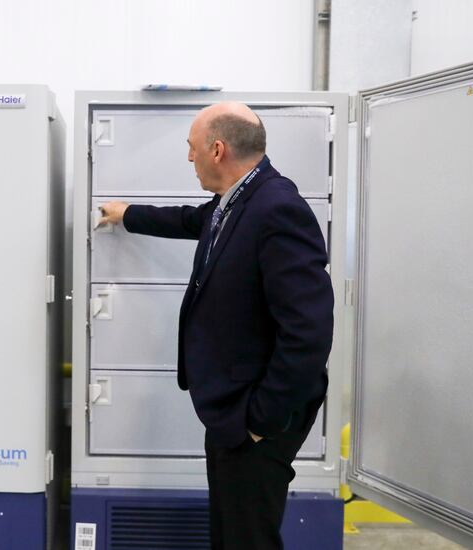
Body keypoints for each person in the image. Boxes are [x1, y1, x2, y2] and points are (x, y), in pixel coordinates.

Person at [98, 101, 334, 550]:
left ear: (218, 150)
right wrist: (127, 213)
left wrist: (261, 420)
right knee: (231, 531)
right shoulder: (238, 199)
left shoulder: (277, 209)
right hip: (232, 409)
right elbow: (191, 219)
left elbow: (309, 331)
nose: (189, 157)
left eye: (192, 148)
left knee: (248, 537)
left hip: (257, 414)